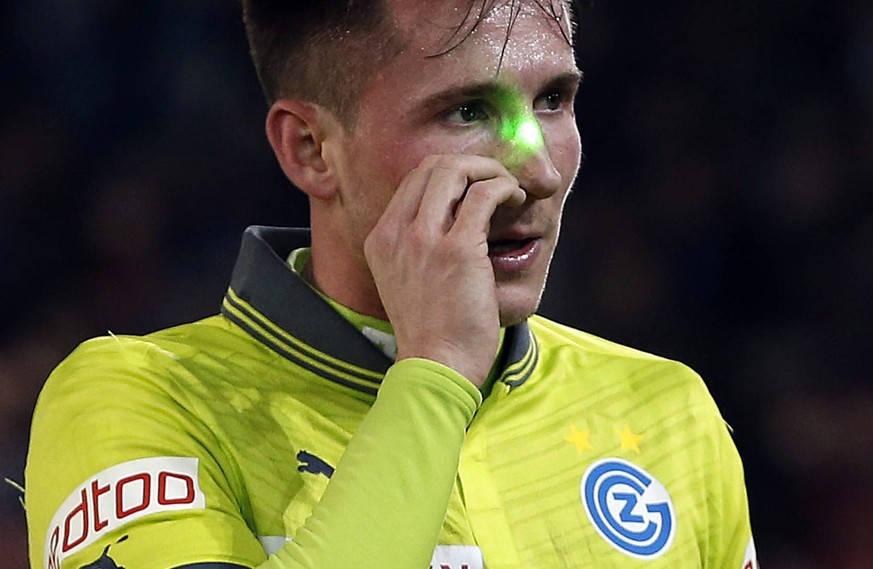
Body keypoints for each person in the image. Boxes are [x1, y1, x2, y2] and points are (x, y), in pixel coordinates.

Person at [25, 1, 759, 568]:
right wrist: (435, 375)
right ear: (310, 149)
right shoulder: (141, 399)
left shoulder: (664, 408)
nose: (537, 172)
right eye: (468, 111)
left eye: (553, 100)